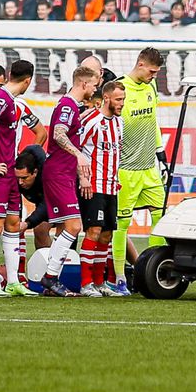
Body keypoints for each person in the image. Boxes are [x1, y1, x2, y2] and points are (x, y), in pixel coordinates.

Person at [0, 60, 41, 297]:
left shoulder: (11, 101)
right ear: (28, 80)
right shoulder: (1, 99)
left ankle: (13, 282)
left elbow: (40, 132)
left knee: (13, 224)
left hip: (9, 172)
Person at [38, 65, 100, 297]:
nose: (95, 89)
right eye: (93, 85)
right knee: (74, 226)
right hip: (57, 173)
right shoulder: (66, 105)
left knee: (65, 227)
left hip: (63, 173)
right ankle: (50, 277)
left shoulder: (73, 107)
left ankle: (51, 277)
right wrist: (78, 154)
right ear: (84, 84)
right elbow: (59, 134)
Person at [113, 47, 168, 293]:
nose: (154, 76)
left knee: (161, 217)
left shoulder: (151, 87)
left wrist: (161, 154)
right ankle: (119, 279)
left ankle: (154, 271)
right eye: (152, 71)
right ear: (141, 64)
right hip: (125, 169)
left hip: (149, 168)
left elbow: (153, 121)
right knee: (121, 225)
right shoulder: (119, 89)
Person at [78, 80, 125, 297]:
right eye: (118, 99)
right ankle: (86, 283)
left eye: (123, 99)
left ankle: (100, 283)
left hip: (111, 186)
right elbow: (77, 150)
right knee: (93, 232)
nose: (121, 103)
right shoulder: (91, 120)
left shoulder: (119, 123)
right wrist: (83, 178)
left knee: (106, 235)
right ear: (106, 98)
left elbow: (115, 154)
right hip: (93, 186)